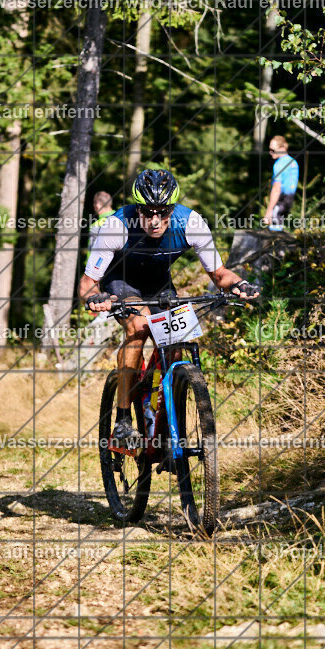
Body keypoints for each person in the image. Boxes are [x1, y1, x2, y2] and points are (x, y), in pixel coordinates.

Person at [78, 168, 259, 447]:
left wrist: (239, 284)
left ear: (172, 209)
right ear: (137, 208)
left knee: (178, 338)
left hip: (160, 286)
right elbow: (89, 281)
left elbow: (220, 274)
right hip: (122, 284)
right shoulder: (116, 226)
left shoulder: (191, 223)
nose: (154, 220)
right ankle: (124, 421)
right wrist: (93, 297)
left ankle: (163, 413)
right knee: (138, 328)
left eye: (162, 212)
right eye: (147, 212)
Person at [262, 135, 299, 230]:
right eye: (269, 149)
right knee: (279, 227)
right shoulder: (293, 162)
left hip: (280, 200)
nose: (270, 152)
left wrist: (269, 211)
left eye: (273, 150)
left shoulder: (279, 164)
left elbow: (276, 189)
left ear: (282, 148)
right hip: (289, 200)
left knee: (274, 232)